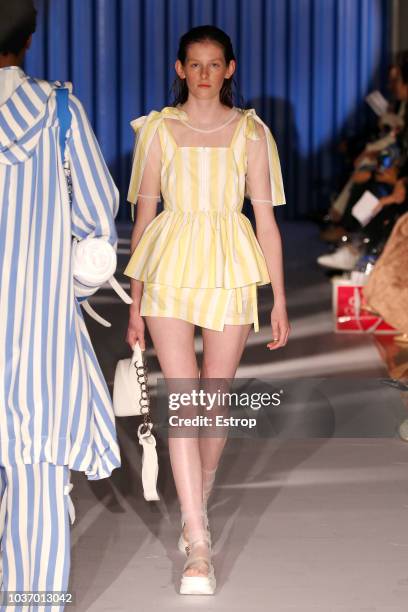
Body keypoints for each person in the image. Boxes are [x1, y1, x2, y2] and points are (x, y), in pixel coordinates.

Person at [124, 25, 290, 595]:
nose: (203, 74)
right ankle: (198, 542)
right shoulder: (158, 131)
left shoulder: (250, 133)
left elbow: (266, 220)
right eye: (194, 64)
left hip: (230, 266)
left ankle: (203, 490)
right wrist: (136, 301)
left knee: (212, 401)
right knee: (185, 399)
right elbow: (143, 218)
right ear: (179, 69)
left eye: (214, 65)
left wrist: (280, 300)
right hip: (170, 262)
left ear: (229, 69)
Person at [0, 1, 121, 607]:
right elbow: (97, 226)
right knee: (35, 470)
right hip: (36, 334)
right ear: (30, 36)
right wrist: (61, 290)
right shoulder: (59, 113)